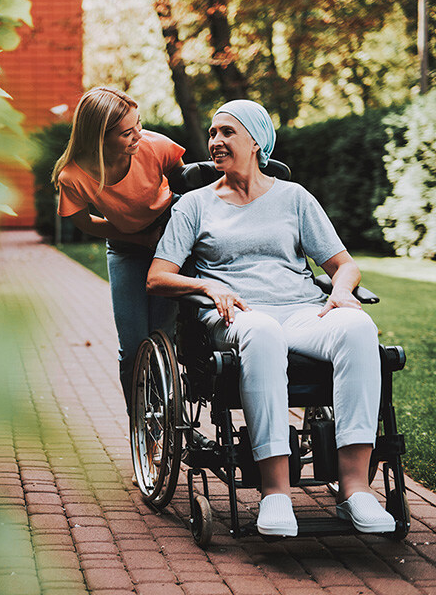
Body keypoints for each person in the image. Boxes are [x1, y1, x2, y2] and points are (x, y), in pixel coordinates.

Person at [145, 99, 395, 537]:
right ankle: (275, 491)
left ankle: (355, 487)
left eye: (227, 132)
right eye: (212, 134)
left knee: (358, 327)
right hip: (239, 315)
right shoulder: (195, 205)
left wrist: (339, 293)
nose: (215, 142)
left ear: (257, 141)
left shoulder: (294, 197)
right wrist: (208, 285)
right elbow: (157, 277)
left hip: (301, 311)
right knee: (260, 332)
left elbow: (345, 265)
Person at [53, 87, 185, 411]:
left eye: (138, 124)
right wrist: (137, 238)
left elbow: (189, 187)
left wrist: (171, 239)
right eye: (127, 132)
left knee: (163, 335)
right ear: (99, 138)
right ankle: (143, 424)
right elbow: (83, 222)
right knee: (133, 345)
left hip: (170, 243)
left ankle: (173, 417)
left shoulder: (155, 147)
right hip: (127, 249)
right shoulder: (74, 175)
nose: (139, 134)